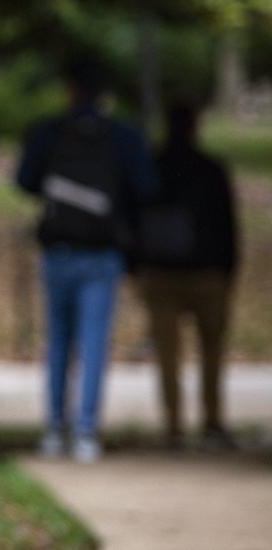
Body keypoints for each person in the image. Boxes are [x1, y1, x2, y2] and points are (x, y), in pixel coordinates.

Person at [15, 60, 156, 462]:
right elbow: (145, 188)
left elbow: (25, 181)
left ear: (71, 90)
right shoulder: (123, 137)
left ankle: (55, 428)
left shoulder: (49, 133)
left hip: (58, 250)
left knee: (58, 342)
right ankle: (86, 431)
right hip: (103, 253)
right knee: (93, 343)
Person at [134, 103, 239, 449]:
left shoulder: (152, 167)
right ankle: (211, 422)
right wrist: (229, 270)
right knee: (212, 350)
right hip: (206, 273)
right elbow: (227, 226)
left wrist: (136, 266)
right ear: (196, 126)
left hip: (160, 272)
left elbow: (135, 218)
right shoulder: (210, 169)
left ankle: (174, 425)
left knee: (168, 353)